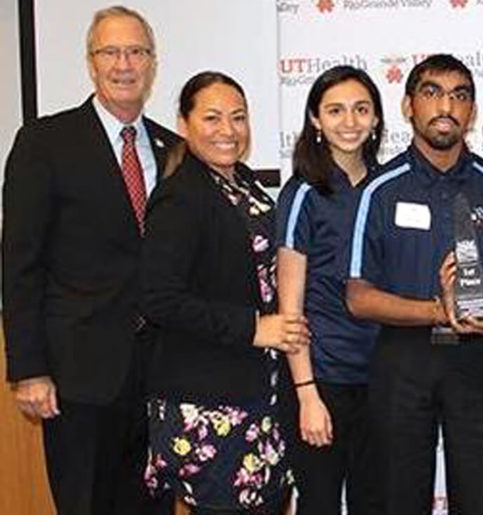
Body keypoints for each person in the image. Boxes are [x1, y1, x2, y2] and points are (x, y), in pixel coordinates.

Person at [2, 6, 180, 514]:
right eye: (112, 52)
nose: (125, 64)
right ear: (91, 61)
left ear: (152, 62)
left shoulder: (175, 150)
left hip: (161, 377)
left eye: (137, 52)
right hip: (79, 378)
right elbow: (20, 264)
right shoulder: (44, 143)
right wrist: (29, 369)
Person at [345, 54, 483, 515]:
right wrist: (436, 311)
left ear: (472, 112)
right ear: (408, 106)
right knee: (398, 497)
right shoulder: (378, 189)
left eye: (459, 96)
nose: (446, 105)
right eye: (432, 93)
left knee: (480, 495)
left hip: (478, 359)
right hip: (403, 360)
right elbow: (358, 297)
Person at [140, 71, 308, 514]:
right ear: (184, 124)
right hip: (209, 404)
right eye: (212, 118)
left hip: (259, 394)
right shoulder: (180, 197)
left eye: (238, 117)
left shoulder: (244, 184)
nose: (228, 130)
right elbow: (158, 297)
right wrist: (254, 328)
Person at [275, 65, 383, 514]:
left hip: (381, 379)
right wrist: (307, 394)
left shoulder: (387, 187)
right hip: (322, 378)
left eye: (361, 109)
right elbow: (290, 307)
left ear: (377, 119)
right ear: (316, 120)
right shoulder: (303, 192)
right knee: (319, 503)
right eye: (335, 110)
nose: (350, 121)